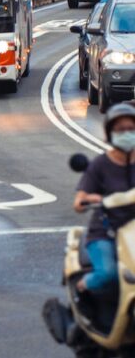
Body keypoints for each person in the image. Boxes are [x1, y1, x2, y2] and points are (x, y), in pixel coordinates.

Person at [72, 103, 135, 301]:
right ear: (110, 133)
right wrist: (92, 199)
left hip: (133, 232)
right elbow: (79, 202)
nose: (126, 133)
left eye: (131, 129)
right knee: (108, 274)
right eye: (120, 130)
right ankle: (82, 290)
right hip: (105, 232)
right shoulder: (100, 164)